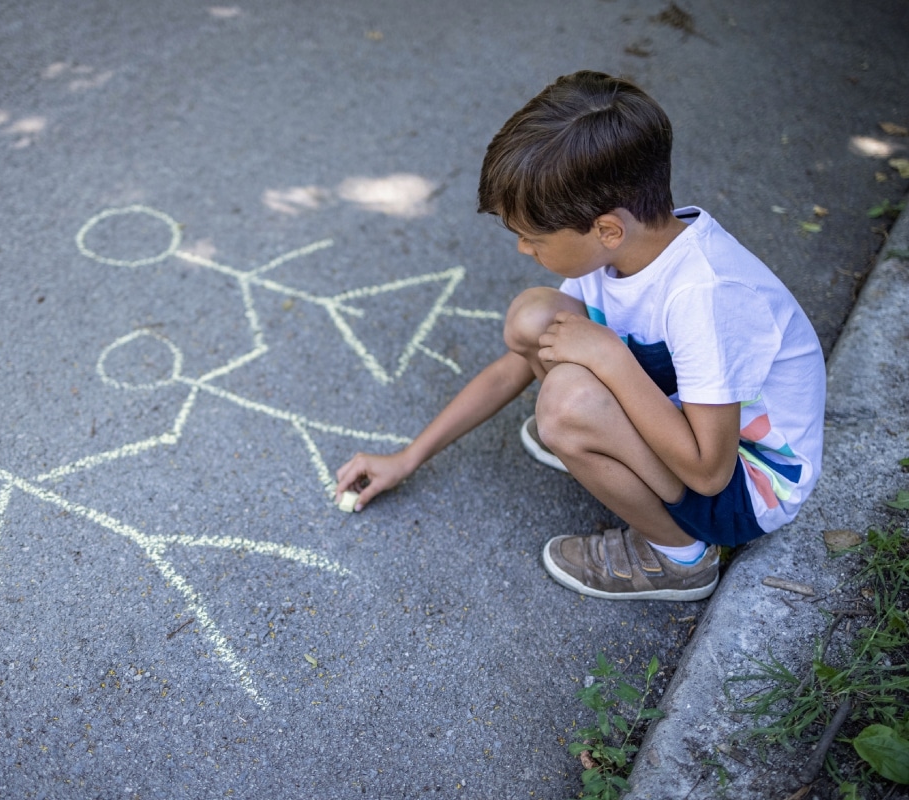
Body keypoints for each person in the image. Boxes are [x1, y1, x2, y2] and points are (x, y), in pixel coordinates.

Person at [333, 71, 826, 601]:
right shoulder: (621, 248)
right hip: (692, 423)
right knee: (533, 316)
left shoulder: (704, 294)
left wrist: (609, 361)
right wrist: (408, 457)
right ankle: (597, 439)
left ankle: (680, 557)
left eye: (532, 237)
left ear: (607, 228)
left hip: (745, 488)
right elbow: (517, 361)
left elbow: (709, 474)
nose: (524, 249)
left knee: (565, 406)